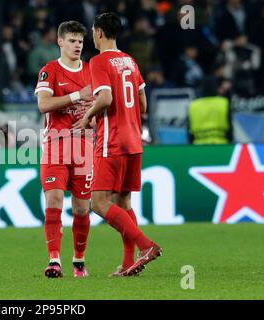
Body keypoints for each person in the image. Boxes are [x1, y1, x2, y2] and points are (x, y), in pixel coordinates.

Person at [74, 12, 162, 277]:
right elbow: (143, 105)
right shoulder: (131, 62)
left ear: (99, 32)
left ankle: (146, 246)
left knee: (98, 203)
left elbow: (106, 98)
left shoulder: (98, 61)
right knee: (124, 202)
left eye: (92, 31)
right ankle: (127, 264)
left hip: (112, 139)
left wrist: (88, 116)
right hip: (135, 139)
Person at [34, 21, 93, 278]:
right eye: (71, 40)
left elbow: (102, 105)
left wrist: (91, 118)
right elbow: (44, 104)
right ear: (60, 42)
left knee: (82, 208)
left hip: (84, 148)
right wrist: (78, 95)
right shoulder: (49, 71)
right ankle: (54, 261)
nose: (77, 45)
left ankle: (78, 260)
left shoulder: (92, 70)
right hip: (55, 145)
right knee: (54, 201)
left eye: (80, 41)